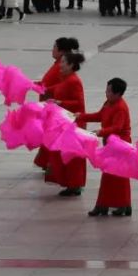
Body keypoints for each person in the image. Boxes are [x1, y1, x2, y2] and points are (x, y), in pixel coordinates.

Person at [77, 78, 133, 217]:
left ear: (118, 93)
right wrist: (81, 116)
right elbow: (99, 116)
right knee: (112, 176)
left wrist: (100, 132)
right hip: (111, 144)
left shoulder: (121, 107)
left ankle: (108, 205)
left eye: (109, 91)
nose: (106, 93)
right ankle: (120, 205)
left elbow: (117, 127)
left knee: (117, 177)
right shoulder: (109, 103)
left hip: (120, 146)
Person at [45, 52, 87, 197]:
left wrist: (60, 103)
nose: (60, 65)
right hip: (65, 122)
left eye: (63, 62)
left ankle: (75, 185)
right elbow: (54, 89)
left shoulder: (74, 81)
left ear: (70, 65)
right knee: (66, 155)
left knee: (73, 157)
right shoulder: (66, 79)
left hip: (74, 124)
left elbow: (79, 103)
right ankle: (70, 184)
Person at [34, 38, 80, 171]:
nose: (52, 49)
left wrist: (41, 88)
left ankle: (50, 164)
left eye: (54, 47)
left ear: (61, 51)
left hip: (56, 109)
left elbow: (59, 87)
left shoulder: (62, 67)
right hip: (51, 105)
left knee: (52, 138)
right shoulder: (59, 64)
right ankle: (47, 163)